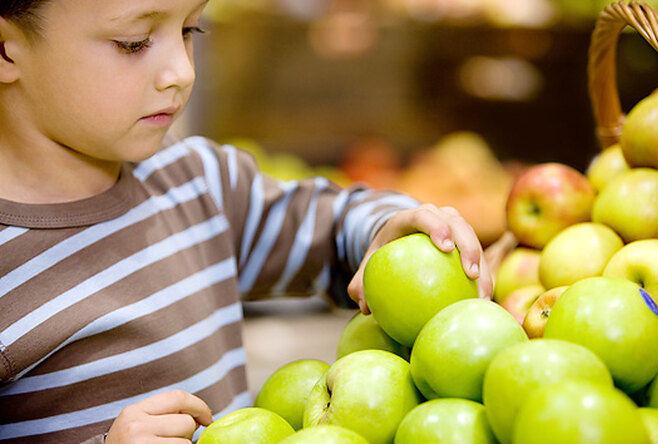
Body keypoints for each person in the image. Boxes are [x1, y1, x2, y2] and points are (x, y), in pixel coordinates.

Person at [0, 0, 492, 442]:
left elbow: (331, 224)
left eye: (191, 30)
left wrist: (387, 231)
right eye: (134, 42)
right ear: (6, 49)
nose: (181, 71)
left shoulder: (199, 181)